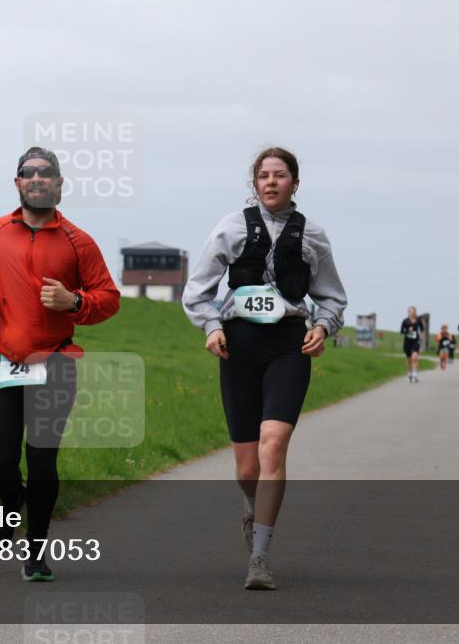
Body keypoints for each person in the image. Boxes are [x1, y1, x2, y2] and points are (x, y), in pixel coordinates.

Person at [182, 146, 347, 590]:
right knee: (246, 469)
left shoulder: (313, 234)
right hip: (238, 347)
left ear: (295, 182)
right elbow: (197, 291)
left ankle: (260, 556)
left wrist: (323, 327)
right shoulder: (231, 227)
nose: (271, 181)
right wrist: (211, 327)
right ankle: (252, 510)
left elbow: (332, 296)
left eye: (280, 175)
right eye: (263, 175)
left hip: (288, 346)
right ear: (254, 183)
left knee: (273, 445)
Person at [0, 146, 120, 581]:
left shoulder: (79, 242)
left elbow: (108, 299)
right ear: (17, 183)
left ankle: (36, 551)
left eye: (45, 172)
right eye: (27, 173)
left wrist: (74, 302)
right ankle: (12, 502)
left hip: (55, 363)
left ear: (59, 183)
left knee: (43, 461)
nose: (36, 178)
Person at [400, 307, 425, 382]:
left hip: (415, 341)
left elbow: (422, 329)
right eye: (410, 311)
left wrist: (418, 331)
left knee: (415, 357)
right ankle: (409, 373)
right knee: (409, 359)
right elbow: (401, 331)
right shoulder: (405, 321)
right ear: (408, 312)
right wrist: (408, 331)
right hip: (407, 342)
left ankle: (415, 374)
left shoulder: (418, 320)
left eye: (413, 311)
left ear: (415, 312)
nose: (412, 312)